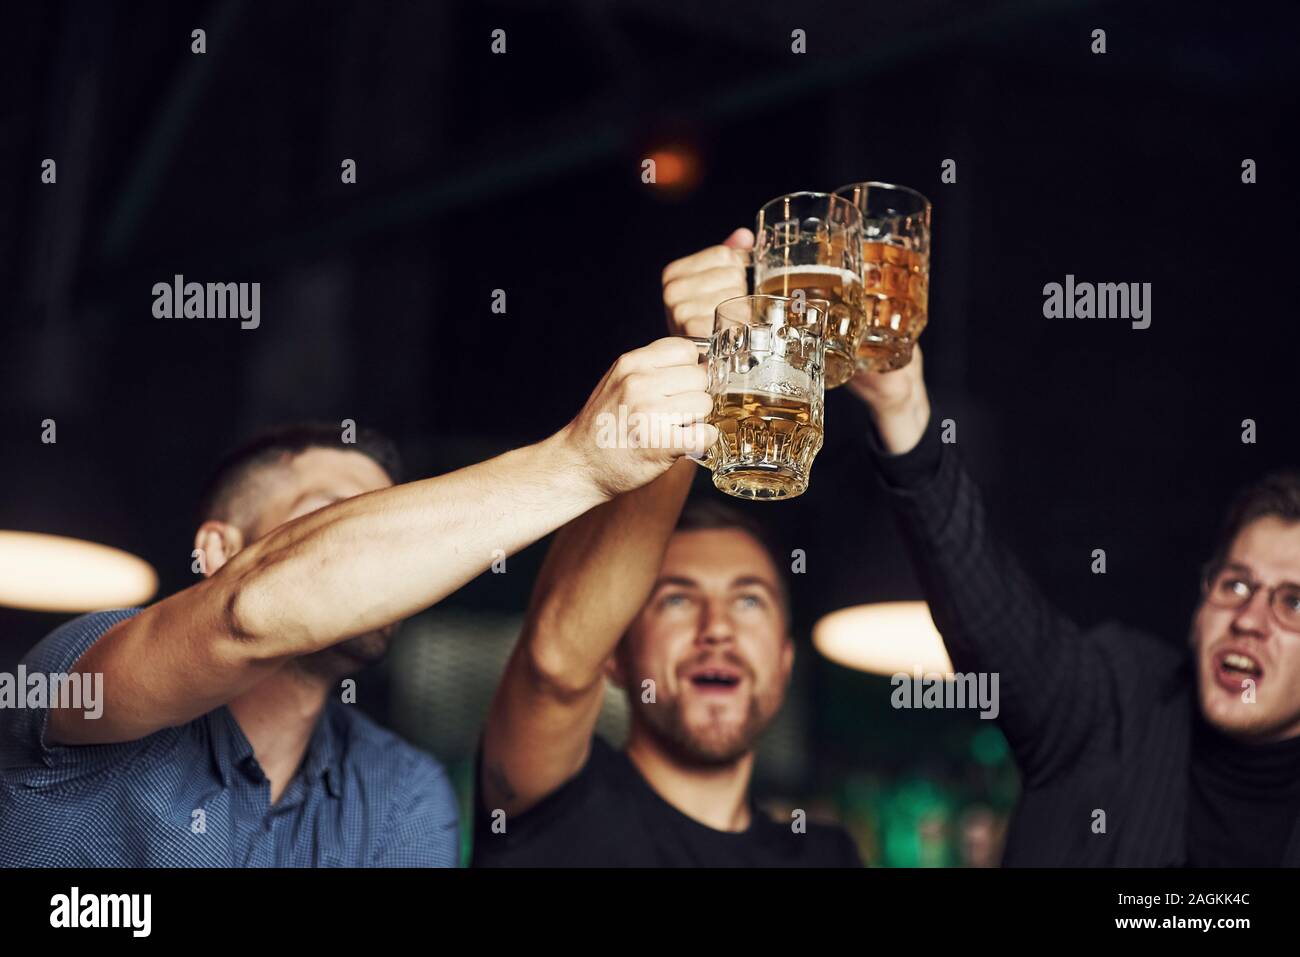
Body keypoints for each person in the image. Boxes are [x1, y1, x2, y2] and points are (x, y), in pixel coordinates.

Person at [0, 337, 715, 867]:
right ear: (217, 550)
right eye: (332, 519)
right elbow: (244, 614)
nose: (390, 563)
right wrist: (580, 462)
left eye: (389, 528)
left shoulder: (401, 790)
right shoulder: (76, 669)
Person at [843, 274, 1300, 866]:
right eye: (1236, 584)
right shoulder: (1111, 704)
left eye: (1293, 602)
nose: (1249, 619)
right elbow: (992, 615)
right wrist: (903, 412)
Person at [473, 231, 861, 866]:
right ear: (615, 660)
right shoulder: (556, 804)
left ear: (787, 661)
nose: (717, 630)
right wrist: (706, 364)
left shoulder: (826, 856)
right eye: (678, 601)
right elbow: (554, 660)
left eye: (750, 603)